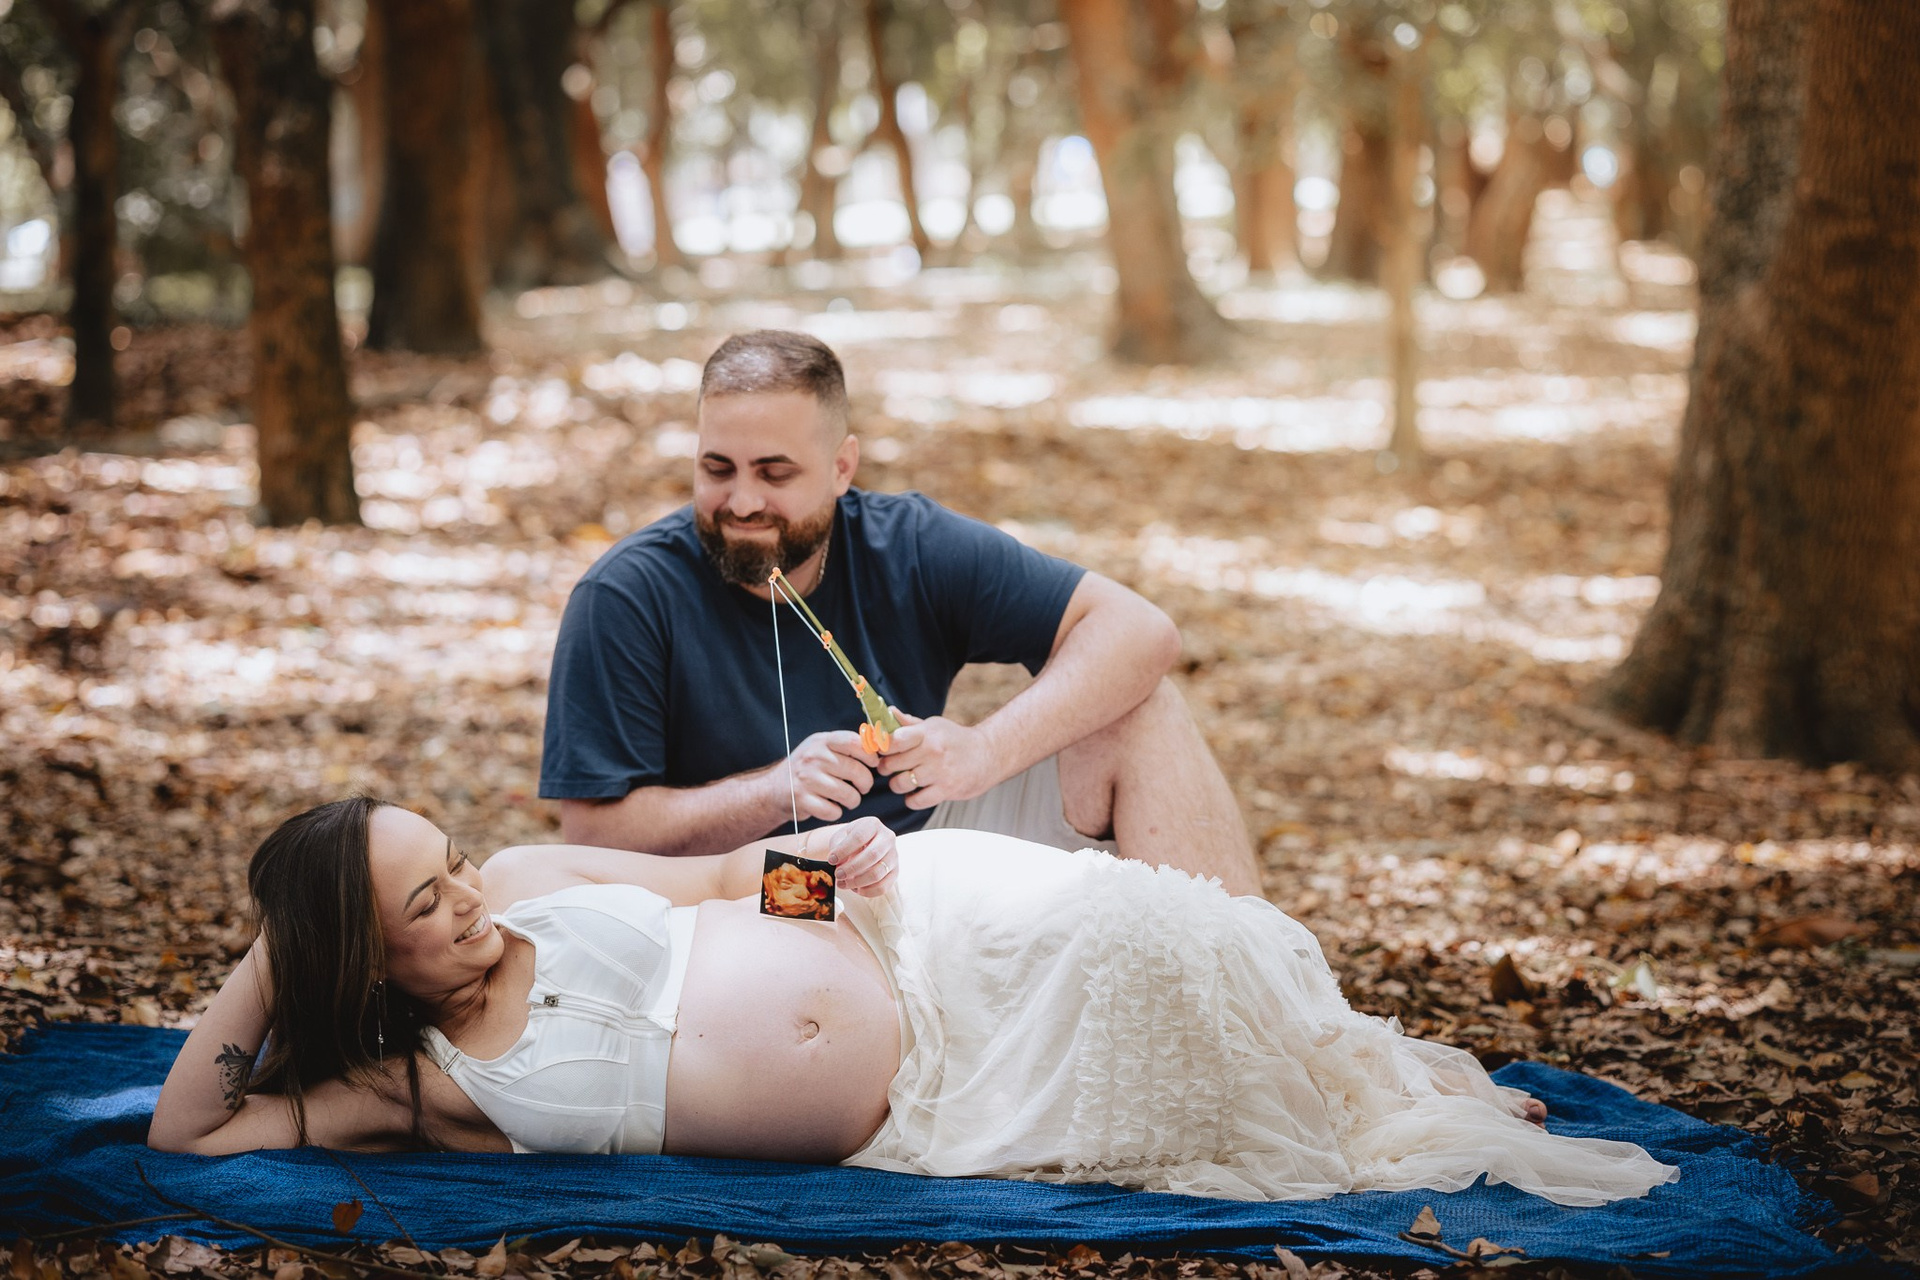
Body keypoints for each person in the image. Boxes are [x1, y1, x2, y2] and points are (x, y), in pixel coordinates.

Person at [150, 798, 1678, 1207]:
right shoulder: (417, 1094)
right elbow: (190, 1133)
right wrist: (279, 951)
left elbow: (718, 884)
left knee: (1167, 938)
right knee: (1190, 1094)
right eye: (427, 905)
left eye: (455, 864)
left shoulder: (543, 876)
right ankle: (1376, 1106)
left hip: (916, 939)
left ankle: (1380, 1071)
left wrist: (820, 866)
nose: (474, 898)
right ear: (363, 962)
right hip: (927, 1105)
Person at [541, 329, 1261, 895]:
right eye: (717, 469)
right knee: (818, 926)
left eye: (775, 472)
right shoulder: (623, 597)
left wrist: (985, 752)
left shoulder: (907, 543)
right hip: (751, 887)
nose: (743, 503)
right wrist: (774, 791)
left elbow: (1140, 630)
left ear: (842, 467)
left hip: (926, 850)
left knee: (1142, 708)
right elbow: (593, 840)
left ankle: (1246, 1004)